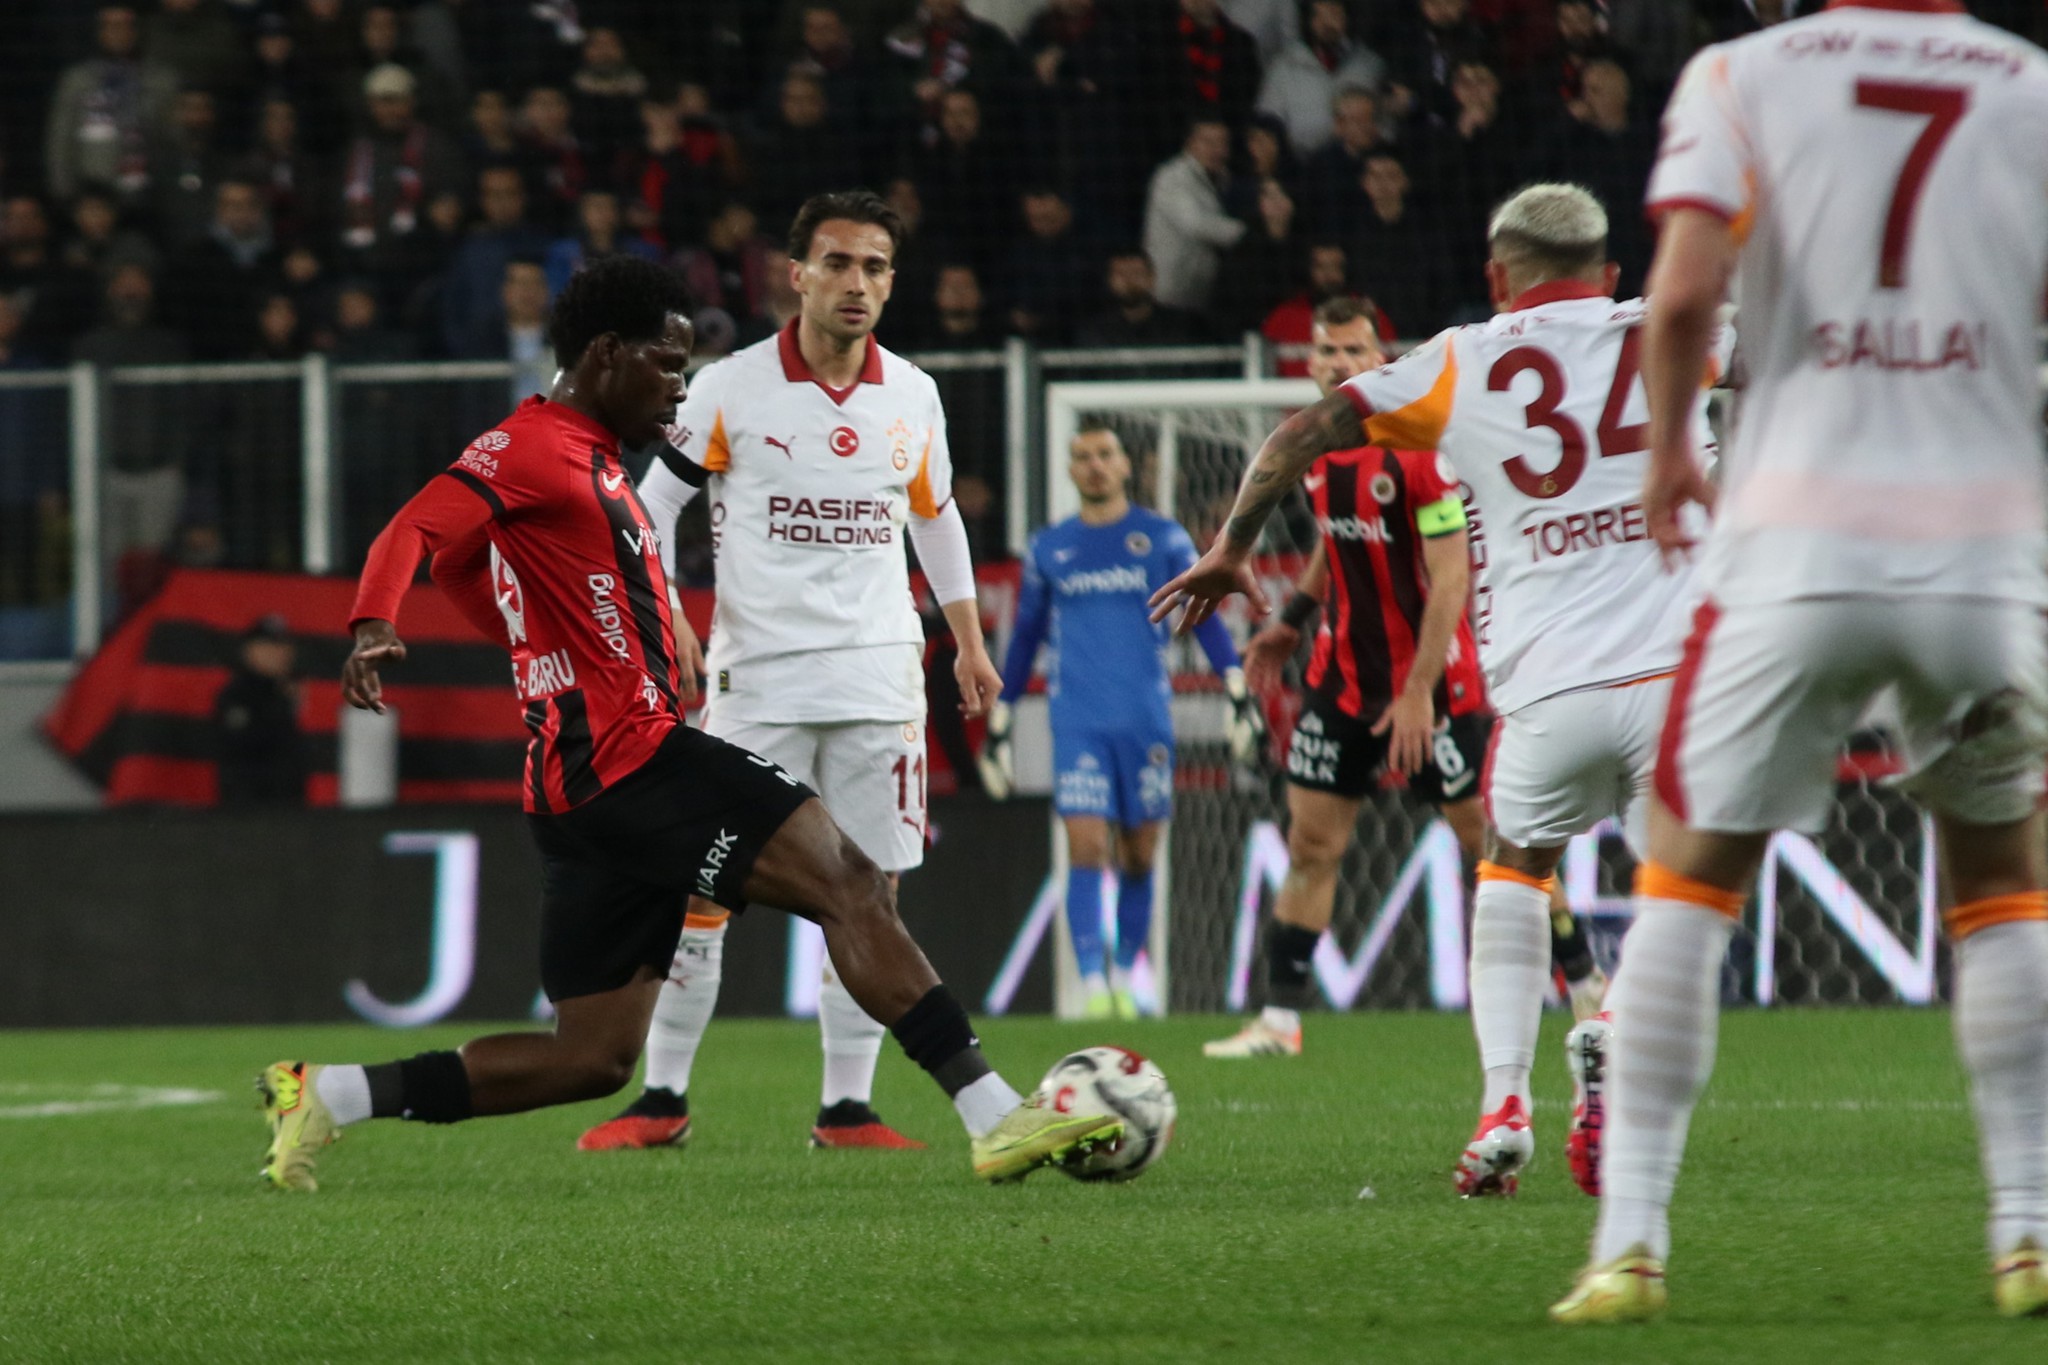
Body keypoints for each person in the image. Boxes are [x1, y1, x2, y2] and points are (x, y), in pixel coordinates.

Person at [257, 253, 1118, 1191]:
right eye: (664, 365)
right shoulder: (534, 445)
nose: (677, 387)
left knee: (590, 1057)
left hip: (577, 786)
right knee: (854, 883)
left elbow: (472, 568)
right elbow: (415, 531)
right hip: (630, 757)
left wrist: (537, 638)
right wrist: (375, 621)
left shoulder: (592, 461)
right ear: (602, 354)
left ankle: (325, 1094)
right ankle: (994, 1115)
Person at [1551, 2, 2048, 1324]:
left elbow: (1687, 291)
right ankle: (2028, 1234)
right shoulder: (2029, 84)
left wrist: (1668, 447)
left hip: (1792, 542)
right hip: (1982, 551)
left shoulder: (1743, 72)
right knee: (2001, 883)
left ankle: (1631, 1247)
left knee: (1689, 878)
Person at [576, 191, 1009, 1155]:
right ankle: (663, 1097)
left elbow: (935, 517)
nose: (858, 284)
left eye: (877, 268)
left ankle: (846, 1108)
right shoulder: (730, 387)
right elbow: (650, 504)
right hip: (756, 682)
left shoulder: (914, 394)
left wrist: (969, 640)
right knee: (702, 892)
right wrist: (669, 624)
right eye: (840, 263)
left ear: (892, 283)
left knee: (871, 894)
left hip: (880, 677)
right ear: (797, 274)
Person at [1329, 183, 1730, 1201]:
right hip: (1674, 680)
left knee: (1513, 871)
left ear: (1493, 277)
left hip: (1545, 694)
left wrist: (1232, 542)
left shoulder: (1456, 361)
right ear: (1608, 275)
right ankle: (1613, 1022)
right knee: (1686, 892)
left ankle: (1501, 1103)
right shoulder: (1667, 325)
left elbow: (1309, 428)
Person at [1194, 295, 1605, 1064]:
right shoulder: (1317, 451)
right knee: (1312, 842)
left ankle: (1583, 980)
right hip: (1342, 683)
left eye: (1353, 352)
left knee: (1494, 848)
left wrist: (1418, 689)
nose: (1338, 365)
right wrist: (1296, 615)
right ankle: (1279, 1021)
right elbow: (1333, 539)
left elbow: (1451, 577)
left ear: (1383, 361)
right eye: (1325, 353)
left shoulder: (1419, 449)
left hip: (1435, 687)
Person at [980, 424, 1263, 1018]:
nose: (1094, 467)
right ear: (1069, 469)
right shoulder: (1049, 547)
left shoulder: (1160, 538)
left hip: (1145, 719)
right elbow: (1027, 633)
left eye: (1105, 455)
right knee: (1086, 849)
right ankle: (1092, 985)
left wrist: (1235, 684)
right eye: (1081, 457)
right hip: (1077, 719)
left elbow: (1205, 612)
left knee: (1138, 855)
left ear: (1126, 466)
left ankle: (1129, 973)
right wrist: (1001, 716)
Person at [212, 614, 306, 806]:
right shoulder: (237, 695)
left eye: (282, 646)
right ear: (249, 651)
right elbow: (244, 747)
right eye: (268, 646)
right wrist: (282, 706)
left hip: (289, 807)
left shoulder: (287, 691)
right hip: (248, 809)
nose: (278, 653)